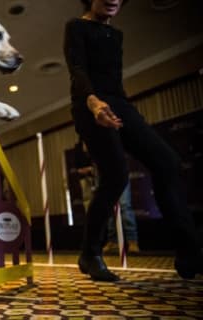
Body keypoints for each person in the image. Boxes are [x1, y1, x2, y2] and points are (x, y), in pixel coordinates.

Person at [64, 0, 202, 281]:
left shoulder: (116, 34)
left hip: (120, 102)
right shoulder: (76, 27)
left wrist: (120, 109)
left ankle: (190, 252)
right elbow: (77, 71)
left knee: (168, 163)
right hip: (88, 105)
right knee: (116, 175)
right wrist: (94, 103)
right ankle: (90, 253)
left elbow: (113, 80)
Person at [104, 182, 140, 253]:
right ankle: (113, 242)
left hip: (120, 174)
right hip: (105, 177)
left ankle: (132, 241)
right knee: (110, 209)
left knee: (124, 206)